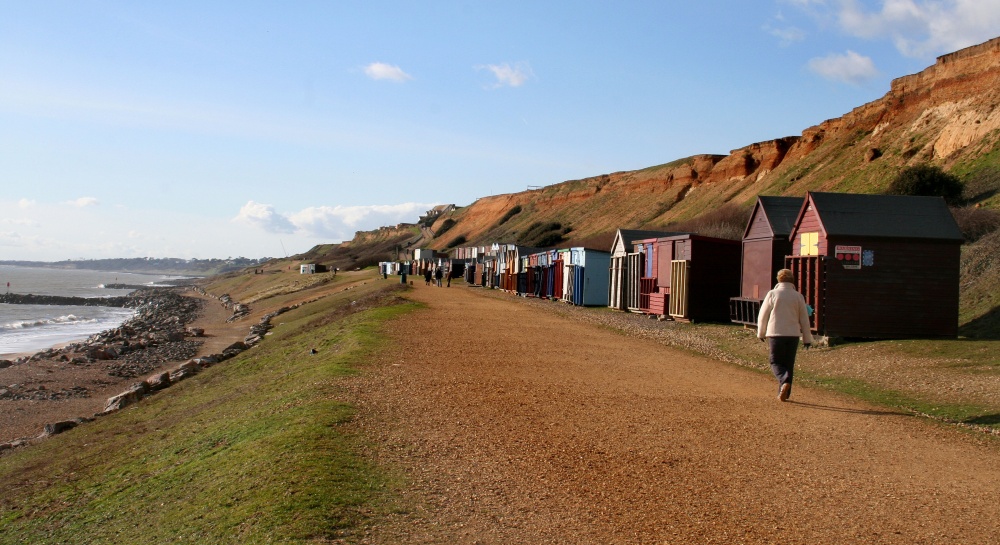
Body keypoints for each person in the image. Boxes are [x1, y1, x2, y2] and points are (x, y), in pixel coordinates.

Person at [757, 268, 814, 402]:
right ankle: (785, 393)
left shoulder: (773, 294)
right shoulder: (798, 296)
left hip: (776, 333)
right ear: (792, 280)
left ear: (779, 280)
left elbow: (763, 314)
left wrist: (761, 332)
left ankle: (784, 380)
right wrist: (807, 339)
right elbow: (804, 319)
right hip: (793, 335)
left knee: (775, 361)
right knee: (789, 364)